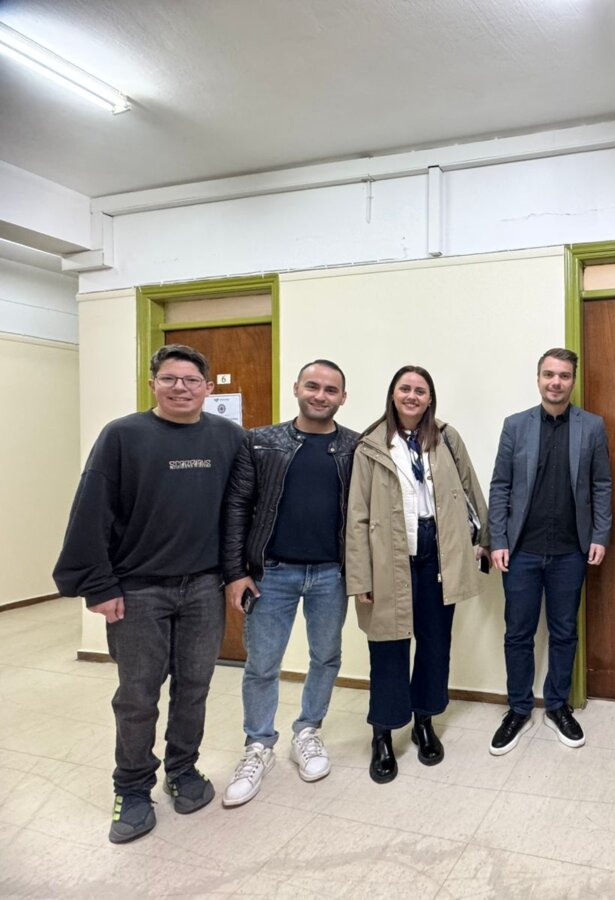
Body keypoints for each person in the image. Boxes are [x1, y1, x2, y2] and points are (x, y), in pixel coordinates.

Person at [53, 344, 244, 843]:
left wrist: (238, 572)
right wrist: (98, 584)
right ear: (153, 384)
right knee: (137, 696)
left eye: (191, 380)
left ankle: (182, 770)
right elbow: (92, 510)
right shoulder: (122, 435)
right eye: (169, 379)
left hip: (204, 587)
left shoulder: (228, 437)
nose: (180, 387)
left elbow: (239, 510)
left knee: (195, 686)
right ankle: (133, 788)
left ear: (208, 387)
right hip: (138, 590)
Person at [219, 359, 359, 807]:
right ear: (296, 388)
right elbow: (237, 506)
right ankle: (259, 745)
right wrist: (235, 571)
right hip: (271, 574)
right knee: (262, 664)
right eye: (312, 386)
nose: (321, 395)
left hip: (331, 574)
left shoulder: (354, 447)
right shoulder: (260, 441)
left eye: (331, 390)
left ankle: (308, 731)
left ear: (343, 397)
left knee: (326, 656)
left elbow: (364, 516)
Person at [345, 365, 490, 782]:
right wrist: (360, 577)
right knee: (388, 648)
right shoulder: (370, 445)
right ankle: (383, 732)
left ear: (430, 399)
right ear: (393, 394)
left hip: (437, 558)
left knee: (434, 644)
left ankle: (424, 721)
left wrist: (485, 538)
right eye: (405, 388)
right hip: (388, 559)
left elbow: (470, 488)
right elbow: (357, 515)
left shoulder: (446, 437)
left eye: (420, 390)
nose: (412, 396)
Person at [487, 348, 612, 755]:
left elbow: (602, 484)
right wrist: (498, 540)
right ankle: (518, 709)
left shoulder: (592, 426)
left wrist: (600, 534)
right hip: (520, 552)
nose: (556, 382)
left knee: (564, 632)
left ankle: (557, 706)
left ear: (573, 380)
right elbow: (500, 485)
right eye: (549, 374)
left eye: (564, 375)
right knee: (517, 633)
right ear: (538, 378)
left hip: (570, 552)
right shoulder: (515, 425)